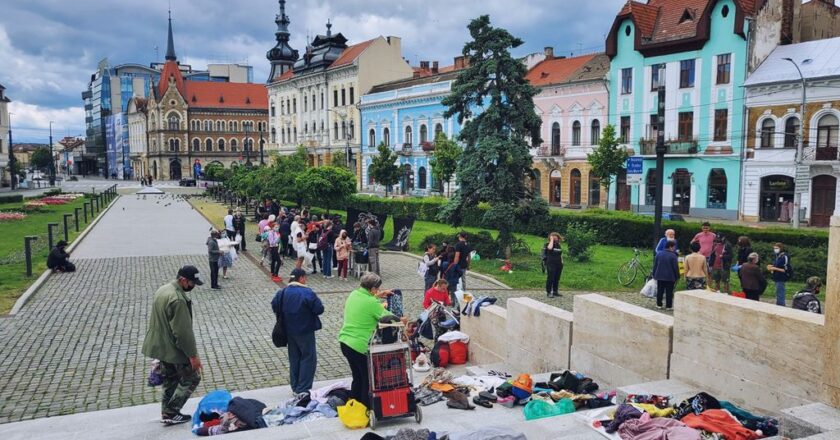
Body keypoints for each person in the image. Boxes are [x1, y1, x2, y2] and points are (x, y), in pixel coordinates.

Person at [142, 265, 204, 425]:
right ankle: (172, 410)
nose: (193, 286)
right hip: (172, 348)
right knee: (192, 376)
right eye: (192, 283)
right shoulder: (178, 300)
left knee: (171, 379)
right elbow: (183, 333)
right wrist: (193, 356)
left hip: (159, 345)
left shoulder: (163, 290)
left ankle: (167, 412)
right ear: (183, 280)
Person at [338, 272, 400, 408]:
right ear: (372, 289)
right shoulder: (372, 302)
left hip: (345, 342)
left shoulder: (354, 294)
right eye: (376, 289)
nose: (377, 291)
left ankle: (354, 405)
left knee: (357, 376)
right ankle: (366, 407)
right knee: (367, 378)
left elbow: (367, 301)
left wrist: (380, 294)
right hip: (359, 345)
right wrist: (403, 320)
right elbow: (389, 317)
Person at [272, 268, 324, 394]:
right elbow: (319, 309)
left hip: (289, 331)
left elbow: (274, 305)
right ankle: (303, 388)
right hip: (305, 330)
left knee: (294, 358)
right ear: (301, 278)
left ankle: (295, 386)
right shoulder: (306, 292)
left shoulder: (282, 292)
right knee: (308, 357)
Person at [652, 240, 679, 310]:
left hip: (659, 275)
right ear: (670, 247)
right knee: (669, 292)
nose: (674, 248)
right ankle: (668, 306)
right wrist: (677, 276)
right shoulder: (673, 256)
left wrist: (654, 274)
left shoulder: (659, 254)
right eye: (673, 247)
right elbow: (675, 267)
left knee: (660, 290)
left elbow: (655, 265)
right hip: (670, 277)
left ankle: (659, 304)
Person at [691, 222, 715, 286]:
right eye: (704, 228)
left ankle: (709, 286)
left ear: (709, 228)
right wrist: (695, 251)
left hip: (709, 256)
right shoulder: (698, 235)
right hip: (700, 256)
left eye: (706, 228)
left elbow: (717, 244)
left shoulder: (713, 235)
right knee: (700, 270)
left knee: (709, 272)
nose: (705, 229)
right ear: (702, 228)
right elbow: (692, 243)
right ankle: (700, 284)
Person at [766, 242, 790, 306]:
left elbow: (784, 269)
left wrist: (774, 268)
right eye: (774, 248)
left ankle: (781, 305)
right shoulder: (778, 256)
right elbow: (777, 265)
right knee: (778, 292)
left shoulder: (784, 256)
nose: (775, 249)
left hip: (781, 277)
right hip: (776, 276)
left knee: (780, 292)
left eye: (776, 248)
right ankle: (779, 304)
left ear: (781, 248)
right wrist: (770, 266)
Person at [543, 232, 564, 298]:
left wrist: (562, 261)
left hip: (558, 264)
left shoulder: (558, 245)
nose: (555, 238)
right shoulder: (547, 244)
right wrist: (551, 240)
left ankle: (555, 291)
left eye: (556, 237)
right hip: (551, 263)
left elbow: (560, 254)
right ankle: (549, 292)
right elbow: (549, 248)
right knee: (550, 278)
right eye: (553, 237)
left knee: (556, 278)